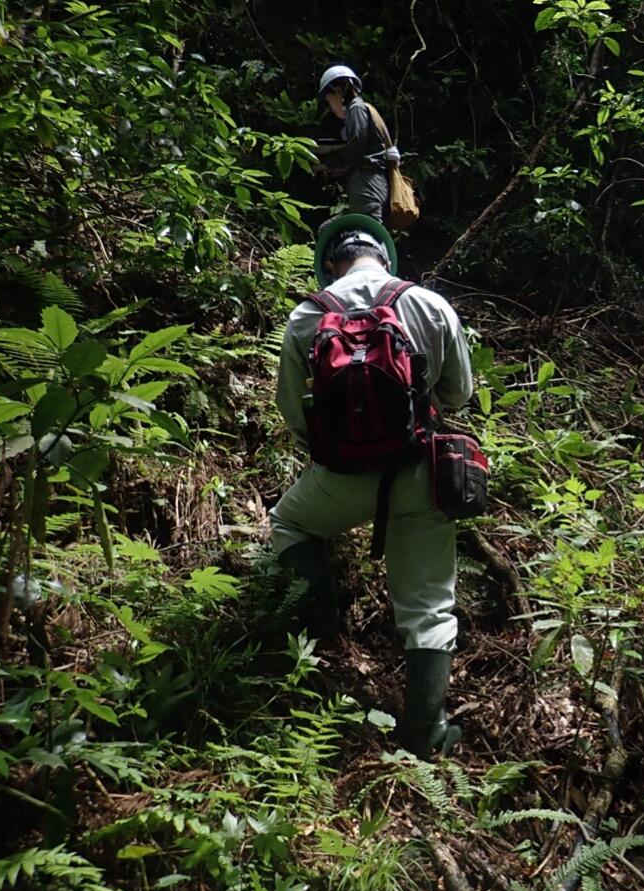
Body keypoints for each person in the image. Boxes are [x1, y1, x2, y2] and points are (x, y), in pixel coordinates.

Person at [270, 213, 473, 758]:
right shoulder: (428, 304)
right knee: (429, 607)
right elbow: (457, 397)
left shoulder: (305, 317)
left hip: (342, 479)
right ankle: (424, 734)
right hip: (420, 472)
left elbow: (294, 416)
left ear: (330, 262)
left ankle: (322, 628)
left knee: (287, 522)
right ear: (384, 256)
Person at [314, 65, 401, 223]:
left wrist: (326, 163)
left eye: (329, 100)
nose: (330, 107)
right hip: (367, 182)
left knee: (368, 233)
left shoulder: (356, 109)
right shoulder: (361, 109)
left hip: (367, 182)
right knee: (328, 230)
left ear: (338, 91)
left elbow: (356, 148)